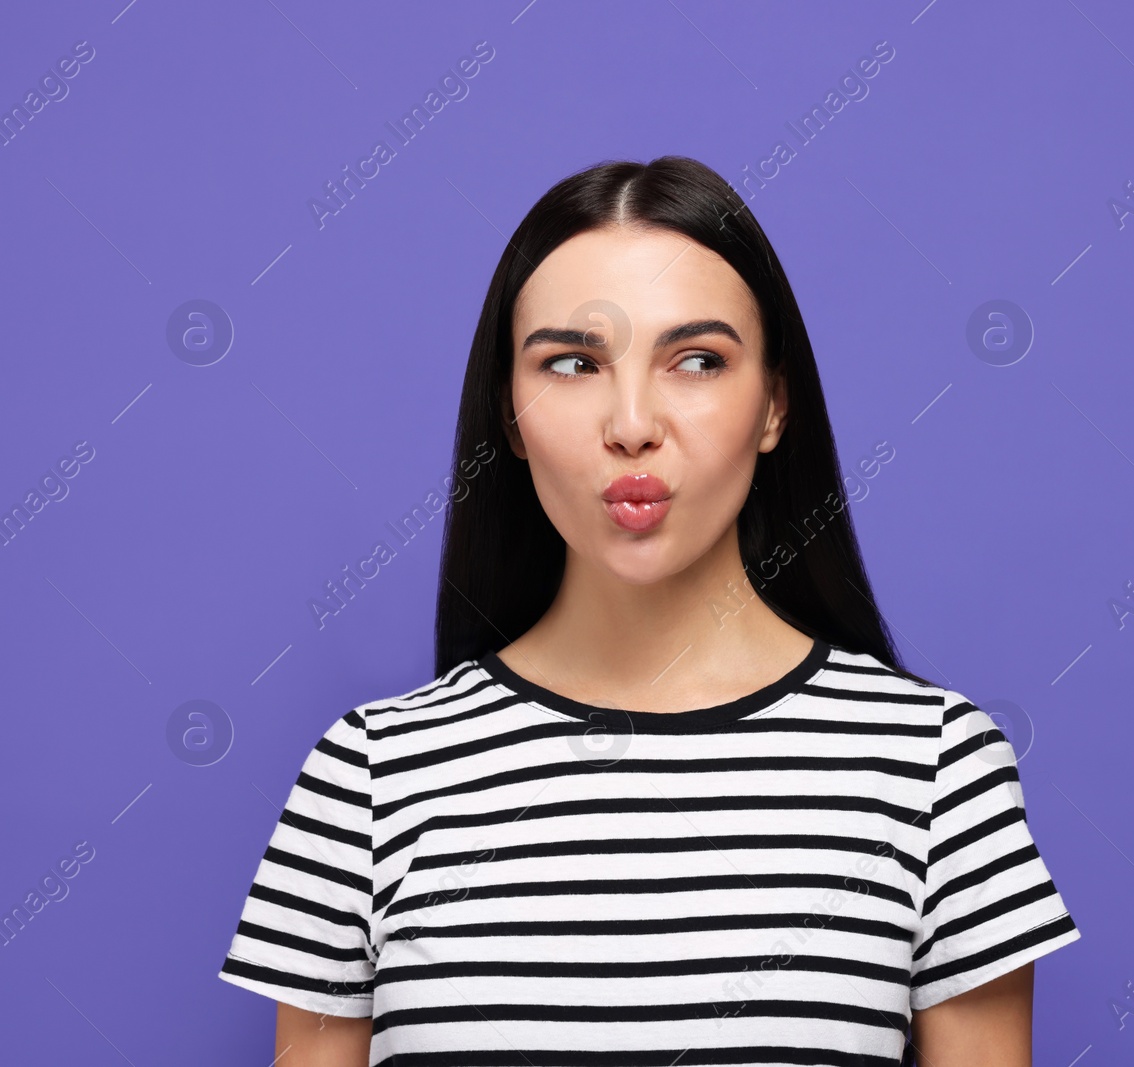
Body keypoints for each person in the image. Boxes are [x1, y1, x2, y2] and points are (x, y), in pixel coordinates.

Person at [217, 155, 1081, 1066]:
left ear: (774, 405)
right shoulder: (371, 778)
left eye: (698, 360)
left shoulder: (933, 768)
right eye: (573, 362)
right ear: (510, 414)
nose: (632, 423)